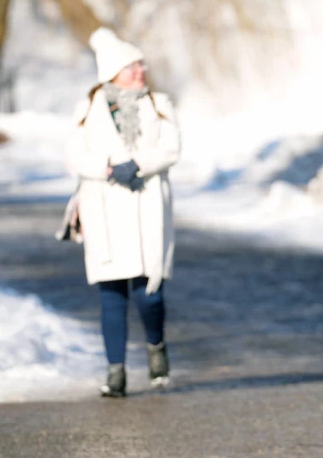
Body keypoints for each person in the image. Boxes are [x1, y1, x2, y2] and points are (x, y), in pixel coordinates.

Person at [65, 28, 181, 397]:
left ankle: (155, 345)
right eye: (131, 66)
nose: (140, 71)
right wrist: (110, 168)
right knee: (111, 294)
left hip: (148, 208)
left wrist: (138, 164)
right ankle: (115, 372)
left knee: (150, 294)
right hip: (105, 210)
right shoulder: (86, 109)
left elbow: (171, 148)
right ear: (112, 72)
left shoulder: (159, 103)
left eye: (141, 64)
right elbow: (74, 155)